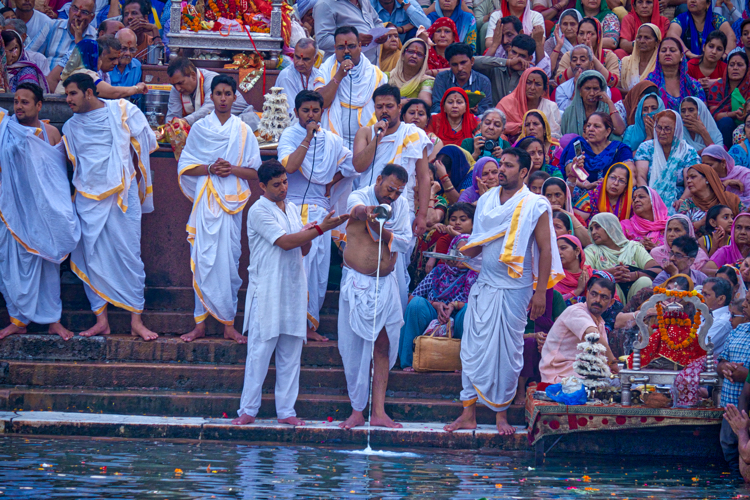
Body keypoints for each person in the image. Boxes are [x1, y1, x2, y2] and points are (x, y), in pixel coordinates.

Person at [444, 147, 562, 435]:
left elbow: (546, 250)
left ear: (523, 172)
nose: (501, 170)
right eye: (500, 165)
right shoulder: (484, 201)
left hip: (516, 288)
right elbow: (479, 242)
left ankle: (500, 416)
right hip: (484, 283)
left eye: (508, 166)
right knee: (472, 349)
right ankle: (468, 414)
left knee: (507, 352)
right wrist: (462, 251)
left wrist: (539, 293)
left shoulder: (536, 204)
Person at [232, 161, 349, 427]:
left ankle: (286, 411)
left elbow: (302, 249)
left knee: (291, 354)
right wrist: (320, 229)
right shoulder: (258, 210)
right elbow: (285, 243)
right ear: (262, 186)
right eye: (277, 185)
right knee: (259, 353)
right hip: (268, 289)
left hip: (294, 288)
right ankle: (248, 409)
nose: (283, 188)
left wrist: (310, 232)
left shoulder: (293, 208)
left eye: (285, 182)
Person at [60, 73, 157, 341]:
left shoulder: (124, 111)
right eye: (66, 94)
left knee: (129, 256)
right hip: (87, 200)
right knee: (91, 258)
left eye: (72, 94)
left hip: (122, 198)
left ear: (89, 92)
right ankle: (101, 320)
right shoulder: (70, 127)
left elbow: (147, 142)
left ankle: (136, 320)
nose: (67, 99)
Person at [176, 75, 260, 344]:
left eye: (228, 93)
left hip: (231, 205)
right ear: (210, 97)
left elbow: (254, 171)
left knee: (228, 263)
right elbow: (186, 166)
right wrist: (211, 169)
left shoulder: (244, 131)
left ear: (235, 97)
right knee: (202, 261)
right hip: (205, 203)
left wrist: (230, 169)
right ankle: (199, 325)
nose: (223, 98)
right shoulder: (200, 128)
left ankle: (228, 325)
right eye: (218, 93)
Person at [0, 83, 78, 341]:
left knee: (47, 267)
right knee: (12, 265)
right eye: (16, 102)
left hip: (44, 213)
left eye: (25, 102)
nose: (19, 106)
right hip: (14, 211)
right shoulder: (5, 129)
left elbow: (57, 175)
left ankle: (53, 320)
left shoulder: (52, 133)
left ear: (39, 105)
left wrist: (60, 207)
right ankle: (18, 320)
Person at [337, 164, 413, 430]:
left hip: (386, 284)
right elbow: (355, 210)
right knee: (354, 349)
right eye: (389, 189)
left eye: (398, 192)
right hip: (357, 283)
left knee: (383, 345)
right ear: (378, 179)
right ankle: (358, 411)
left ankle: (378, 411)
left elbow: (406, 242)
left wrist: (384, 231)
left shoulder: (401, 206)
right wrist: (366, 213)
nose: (392, 196)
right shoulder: (360, 195)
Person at [279, 90, 358, 341]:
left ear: (322, 112)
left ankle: (309, 324)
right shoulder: (290, 135)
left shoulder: (332, 140)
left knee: (317, 270)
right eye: (305, 111)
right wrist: (306, 139)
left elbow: (351, 166)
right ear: (296, 113)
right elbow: (289, 166)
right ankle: (291, 324)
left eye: (315, 110)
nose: (311, 115)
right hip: (293, 210)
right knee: (297, 268)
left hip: (320, 211)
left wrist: (329, 183)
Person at [399, 204, 477, 370]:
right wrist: (435, 304)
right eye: (453, 219)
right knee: (416, 304)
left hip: (459, 318)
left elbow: (481, 303)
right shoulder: (440, 270)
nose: (459, 256)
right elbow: (412, 297)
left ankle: (465, 364)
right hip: (434, 315)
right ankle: (407, 361)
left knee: (471, 310)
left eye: (463, 219)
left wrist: (454, 306)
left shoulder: (477, 273)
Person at [352, 84, 432, 237]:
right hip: (367, 205)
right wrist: (377, 138)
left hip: (401, 206)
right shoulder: (365, 133)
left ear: (399, 107)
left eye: (389, 106)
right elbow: (359, 167)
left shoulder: (415, 134)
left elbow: (423, 177)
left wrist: (422, 215)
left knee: (398, 256)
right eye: (379, 106)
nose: (384, 111)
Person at [315, 26, 387, 150]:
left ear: (360, 46)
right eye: (341, 47)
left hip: (367, 141)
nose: (346, 51)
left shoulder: (376, 75)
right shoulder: (324, 70)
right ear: (335, 49)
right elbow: (320, 103)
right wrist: (339, 76)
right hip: (334, 142)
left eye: (351, 46)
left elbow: (385, 109)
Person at [540, 276, 619, 383]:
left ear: (611, 303)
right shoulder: (576, 311)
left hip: (580, 371)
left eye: (604, 297)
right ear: (587, 294)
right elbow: (593, 336)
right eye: (594, 294)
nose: (597, 300)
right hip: (559, 373)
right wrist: (613, 362)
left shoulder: (599, 322)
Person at [634, 110, 701, 212]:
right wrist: (650, 199)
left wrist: (682, 200)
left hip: (678, 202)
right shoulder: (646, 148)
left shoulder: (688, 152)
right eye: (659, 128)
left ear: (676, 130)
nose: (662, 132)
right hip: (649, 200)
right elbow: (641, 177)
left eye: (667, 129)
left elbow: (691, 183)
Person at [585, 212, 659, 301]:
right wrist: (608, 274)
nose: (593, 232)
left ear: (611, 227)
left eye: (597, 227)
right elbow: (583, 275)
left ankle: (636, 314)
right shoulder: (591, 250)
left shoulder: (633, 247)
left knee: (645, 281)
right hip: (607, 301)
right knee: (608, 283)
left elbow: (657, 270)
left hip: (634, 295)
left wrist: (633, 275)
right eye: (591, 229)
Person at [166, 57, 250, 126]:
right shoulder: (177, 87)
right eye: (174, 85)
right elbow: (172, 116)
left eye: (181, 83)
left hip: (241, 120)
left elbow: (210, 108)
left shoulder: (212, 80)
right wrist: (170, 129)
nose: (177, 89)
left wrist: (185, 121)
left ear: (193, 76)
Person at [561, 113, 632, 186]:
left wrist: (607, 183)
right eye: (588, 126)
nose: (590, 129)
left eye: (596, 126)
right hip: (582, 190)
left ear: (608, 131)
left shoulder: (619, 149)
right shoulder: (579, 145)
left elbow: (630, 173)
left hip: (611, 189)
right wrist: (587, 184)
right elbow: (570, 171)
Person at [472, 34, 540, 107]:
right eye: (514, 52)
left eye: (522, 56)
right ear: (509, 50)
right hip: (492, 116)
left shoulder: (530, 77)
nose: (516, 58)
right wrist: (508, 62)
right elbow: (472, 62)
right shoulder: (496, 68)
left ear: (530, 59)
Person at [555, 45, 625, 116]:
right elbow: (566, 115)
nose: (578, 63)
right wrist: (577, 88)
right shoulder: (562, 89)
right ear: (570, 64)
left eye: (582, 60)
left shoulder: (603, 88)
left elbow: (603, 112)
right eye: (574, 60)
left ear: (591, 64)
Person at [27, 0, 97, 68]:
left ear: (92, 17)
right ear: (69, 10)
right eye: (75, 8)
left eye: (84, 12)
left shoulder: (95, 38)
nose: (77, 14)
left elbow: (90, 69)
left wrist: (80, 43)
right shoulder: (52, 26)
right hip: (45, 77)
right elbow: (28, 55)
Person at [496, 67, 561, 140]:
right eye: (529, 82)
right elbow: (495, 126)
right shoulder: (506, 103)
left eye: (537, 84)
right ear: (522, 84)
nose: (532, 88)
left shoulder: (550, 107)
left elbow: (555, 135)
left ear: (544, 90)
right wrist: (517, 127)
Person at [555, 18, 620, 89]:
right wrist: (578, 59)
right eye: (581, 33)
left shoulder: (609, 56)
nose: (585, 38)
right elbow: (559, 81)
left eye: (590, 34)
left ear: (598, 36)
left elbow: (613, 83)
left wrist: (592, 58)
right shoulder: (568, 56)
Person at [430, 43, 492, 115]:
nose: (459, 68)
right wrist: (460, 110)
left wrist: (475, 110)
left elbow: (486, 109)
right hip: (448, 119)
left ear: (472, 61)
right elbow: (436, 106)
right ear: (449, 64)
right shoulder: (442, 78)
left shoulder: (483, 81)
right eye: (454, 64)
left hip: (473, 120)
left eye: (463, 63)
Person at [314, 0, 385, 64]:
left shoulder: (364, 1)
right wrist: (353, 41)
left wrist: (381, 34)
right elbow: (322, 39)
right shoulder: (325, 4)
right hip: (343, 72)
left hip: (369, 68)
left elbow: (376, 21)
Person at [646, 37, 706, 111]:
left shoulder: (693, 86)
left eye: (672, 50)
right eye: (663, 51)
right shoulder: (649, 83)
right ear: (658, 56)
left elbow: (703, 113)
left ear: (681, 56)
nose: (667, 53)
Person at [560, 71, 626, 138]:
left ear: (601, 90)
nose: (592, 93)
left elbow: (620, 130)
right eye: (587, 88)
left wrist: (610, 102)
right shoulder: (569, 112)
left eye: (595, 89)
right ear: (580, 90)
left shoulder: (608, 109)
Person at [707, 51, 750, 148]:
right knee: (726, 122)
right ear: (727, 68)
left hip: (747, 125)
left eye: (740, 65)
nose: (735, 68)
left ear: (747, 69)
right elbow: (713, 114)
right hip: (723, 128)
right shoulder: (717, 87)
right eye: (731, 65)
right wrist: (733, 114)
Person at [667, 0, 736, 58]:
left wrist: (725, 55)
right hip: (687, 65)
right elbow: (672, 35)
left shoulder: (716, 19)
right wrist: (688, 53)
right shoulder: (681, 19)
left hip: (714, 63)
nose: (692, 1)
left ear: (708, 4)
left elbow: (730, 36)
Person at [678, 164, 742, 223]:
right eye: (687, 178)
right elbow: (681, 228)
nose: (688, 181)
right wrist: (700, 223)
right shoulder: (688, 204)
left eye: (693, 177)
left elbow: (744, 220)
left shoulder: (731, 199)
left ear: (707, 179)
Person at [275, 38, 323, 115]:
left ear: (315, 59)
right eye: (297, 57)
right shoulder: (286, 76)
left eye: (305, 59)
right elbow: (292, 111)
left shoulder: (319, 74)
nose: (300, 63)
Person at [543, 177, 591, 244]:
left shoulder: (575, 217)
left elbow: (589, 242)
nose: (553, 200)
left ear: (566, 197)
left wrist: (570, 216)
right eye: (548, 195)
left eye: (557, 195)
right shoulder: (538, 218)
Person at [621, 186, 670, 251]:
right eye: (634, 198)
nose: (636, 200)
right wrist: (636, 246)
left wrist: (657, 251)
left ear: (653, 200)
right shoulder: (625, 225)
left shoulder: (670, 224)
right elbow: (617, 249)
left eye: (641, 197)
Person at [388, 38, 433, 105]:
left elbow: (425, 102)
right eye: (411, 52)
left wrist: (395, 103)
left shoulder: (427, 81)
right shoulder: (387, 77)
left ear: (424, 60)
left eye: (419, 54)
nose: (414, 56)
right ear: (402, 55)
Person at [620, 24, 663, 92]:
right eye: (639, 37)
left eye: (647, 38)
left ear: (657, 42)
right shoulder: (625, 62)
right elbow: (617, 88)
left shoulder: (661, 65)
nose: (642, 41)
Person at [554, 235, 594, 303]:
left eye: (563, 248)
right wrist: (578, 290)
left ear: (577, 251)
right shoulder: (552, 277)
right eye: (555, 250)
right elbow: (554, 304)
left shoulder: (593, 275)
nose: (558, 252)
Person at [547, 9, 583, 76]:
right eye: (565, 24)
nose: (569, 28)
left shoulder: (584, 42)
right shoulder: (551, 43)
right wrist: (558, 46)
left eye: (572, 24)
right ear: (559, 26)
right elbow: (548, 70)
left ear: (580, 25)